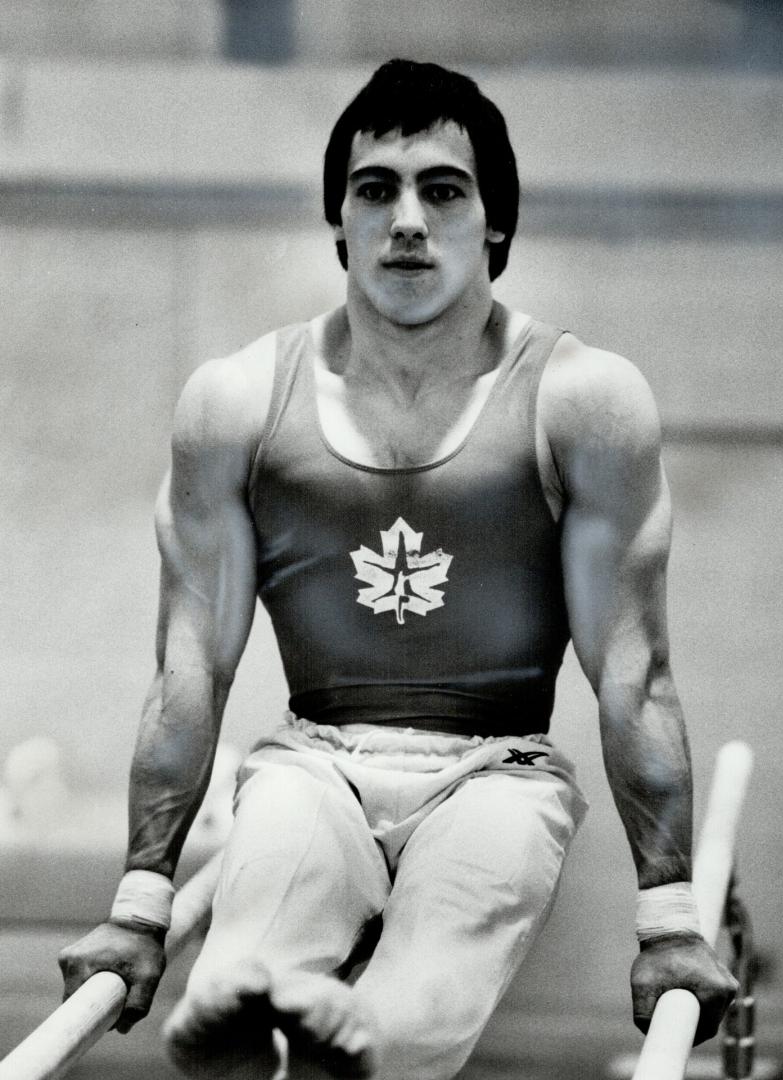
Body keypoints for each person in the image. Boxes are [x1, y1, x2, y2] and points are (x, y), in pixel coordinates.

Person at [58, 59, 737, 1080]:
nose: (407, 219)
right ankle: (246, 1015)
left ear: (494, 224)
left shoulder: (582, 400)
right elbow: (188, 665)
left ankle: (360, 1042)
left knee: (446, 945)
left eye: (442, 189)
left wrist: (671, 915)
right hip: (311, 757)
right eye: (375, 189)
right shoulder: (237, 402)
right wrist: (139, 906)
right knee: (267, 892)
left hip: (496, 768)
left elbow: (633, 670)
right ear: (339, 221)